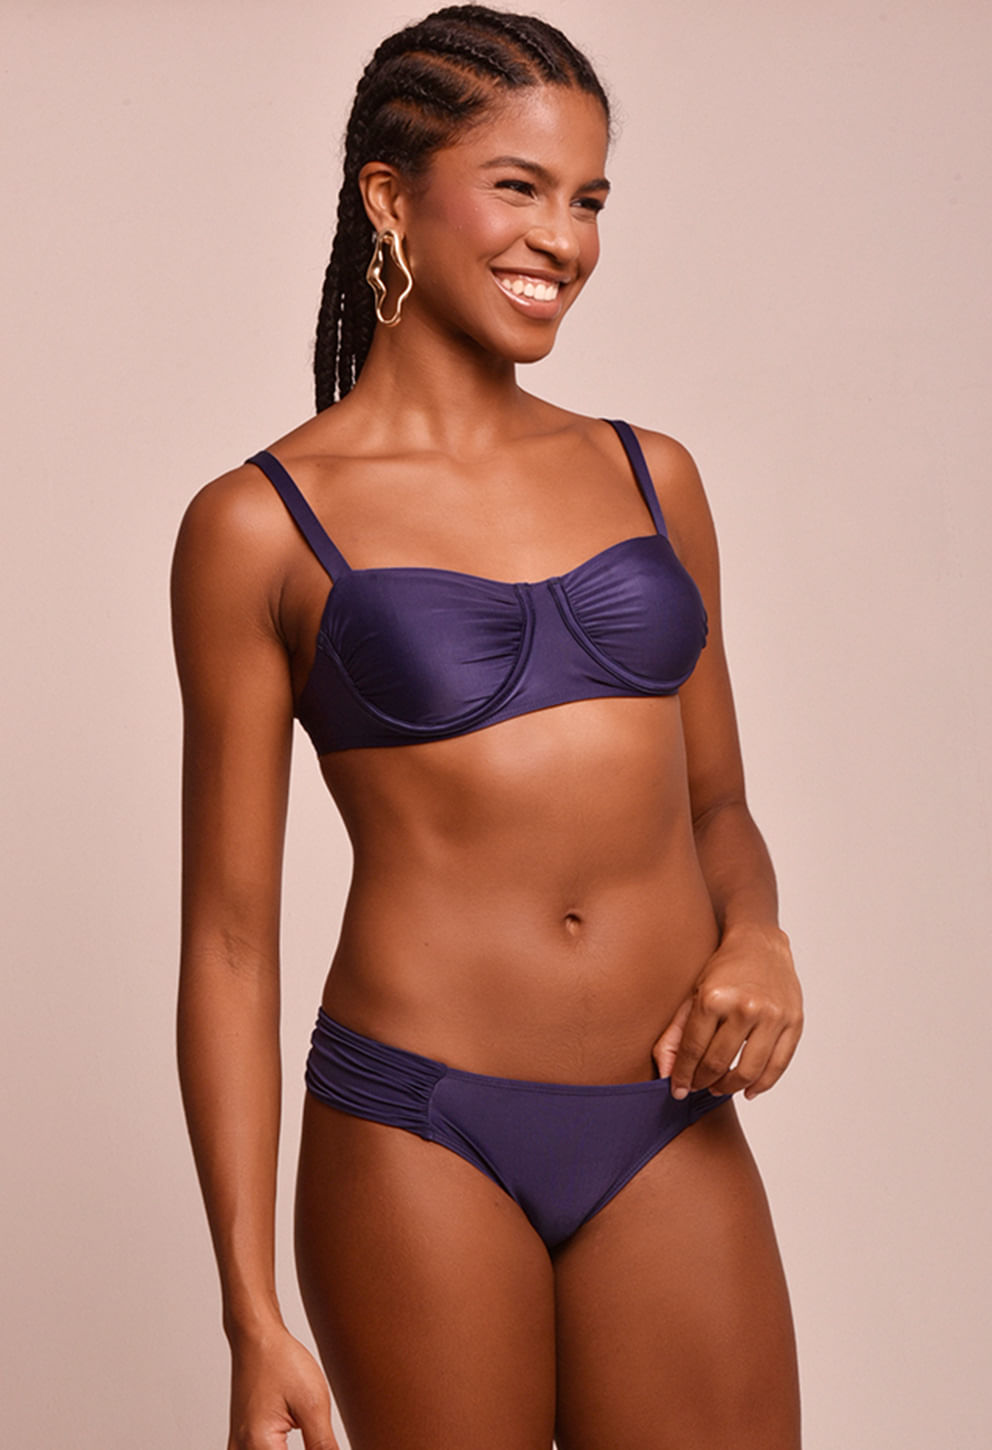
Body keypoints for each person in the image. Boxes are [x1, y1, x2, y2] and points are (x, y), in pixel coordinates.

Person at [171, 6, 804, 1448]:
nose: (562, 240)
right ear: (390, 198)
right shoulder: (257, 526)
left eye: (589, 200)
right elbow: (229, 940)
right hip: (418, 1123)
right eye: (519, 188)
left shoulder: (652, 477)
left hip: (665, 1108)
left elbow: (717, 807)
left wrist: (759, 932)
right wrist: (250, 1310)